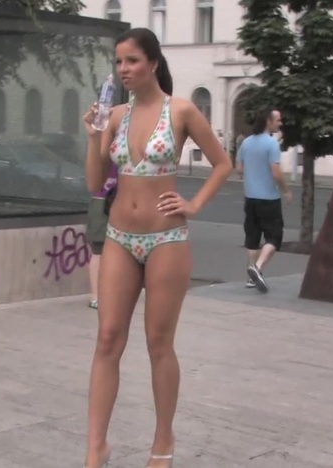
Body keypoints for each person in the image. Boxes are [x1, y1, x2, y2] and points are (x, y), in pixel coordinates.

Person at [81, 27, 232, 468]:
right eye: (119, 62)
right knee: (107, 338)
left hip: (166, 239)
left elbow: (222, 163)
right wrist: (92, 137)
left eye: (131, 60)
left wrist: (194, 204)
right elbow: (95, 184)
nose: (123, 69)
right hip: (119, 237)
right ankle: (96, 447)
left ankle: (163, 443)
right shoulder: (115, 116)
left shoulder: (180, 110)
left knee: (158, 343)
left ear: (152, 63)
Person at [235, 109, 292, 293]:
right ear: (268, 121)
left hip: (250, 198)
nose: (280, 123)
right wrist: (286, 190)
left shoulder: (246, 142)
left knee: (252, 237)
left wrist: (253, 173)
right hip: (269, 199)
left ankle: (250, 279)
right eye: (278, 120)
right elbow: (276, 172)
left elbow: (239, 168)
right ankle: (257, 268)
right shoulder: (271, 144)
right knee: (274, 237)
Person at [85, 163, 118, 309]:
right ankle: (96, 296)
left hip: (122, 200)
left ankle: (110, 294)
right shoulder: (104, 152)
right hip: (103, 200)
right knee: (98, 249)